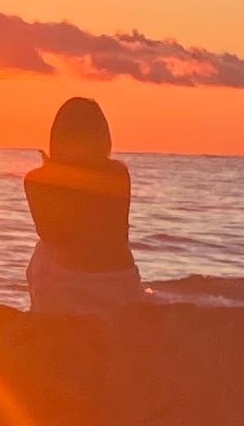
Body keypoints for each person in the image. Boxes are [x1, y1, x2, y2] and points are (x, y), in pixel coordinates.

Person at [21, 95, 150, 319]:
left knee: (44, 249)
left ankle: (44, 312)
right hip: (120, 282)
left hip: (72, 284)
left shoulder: (37, 179)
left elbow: (52, 235)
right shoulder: (119, 173)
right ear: (102, 137)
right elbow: (116, 233)